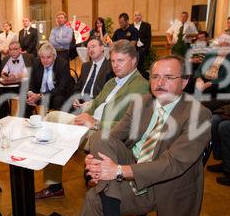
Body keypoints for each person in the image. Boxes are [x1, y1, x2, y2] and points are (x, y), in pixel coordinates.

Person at [64, 55, 211, 216]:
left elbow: (172, 165)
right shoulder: (142, 102)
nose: (160, 83)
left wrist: (117, 171)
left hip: (162, 183)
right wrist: (94, 161)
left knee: (94, 197)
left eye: (169, 77)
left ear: (184, 82)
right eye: (155, 77)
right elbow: (113, 137)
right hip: (133, 162)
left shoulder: (199, 115)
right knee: (99, 136)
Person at [36, 41, 148, 199]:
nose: (115, 65)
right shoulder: (112, 82)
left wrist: (95, 123)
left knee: (56, 133)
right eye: (114, 61)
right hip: (89, 123)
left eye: (120, 60)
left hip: (105, 133)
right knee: (51, 118)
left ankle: (56, 181)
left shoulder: (141, 86)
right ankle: (53, 183)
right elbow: (95, 103)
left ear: (134, 60)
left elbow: (130, 125)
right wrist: (83, 116)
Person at [25, 43, 74, 117]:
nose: (45, 60)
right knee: (26, 99)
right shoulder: (36, 63)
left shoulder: (62, 64)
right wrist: (31, 93)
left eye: (48, 57)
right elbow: (32, 82)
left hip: (56, 95)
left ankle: (55, 124)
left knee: (58, 100)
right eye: (42, 57)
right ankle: (27, 123)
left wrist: (40, 95)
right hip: (41, 95)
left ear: (54, 56)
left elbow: (61, 89)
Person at [194, 30, 230, 95]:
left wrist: (210, 83)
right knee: (189, 82)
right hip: (203, 80)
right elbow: (199, 69)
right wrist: (198, 78)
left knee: (203, 92)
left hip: (219, 84)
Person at [73, 39, 114, 103]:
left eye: (93, 46)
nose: (91, 50)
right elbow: (77, 87)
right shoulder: (85, 66)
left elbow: (109, 92)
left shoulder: (110, 67)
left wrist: (91, 104)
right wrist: (75, 99)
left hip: (96, 102)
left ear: (102, 48)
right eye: (88, 48)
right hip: (80, 101)